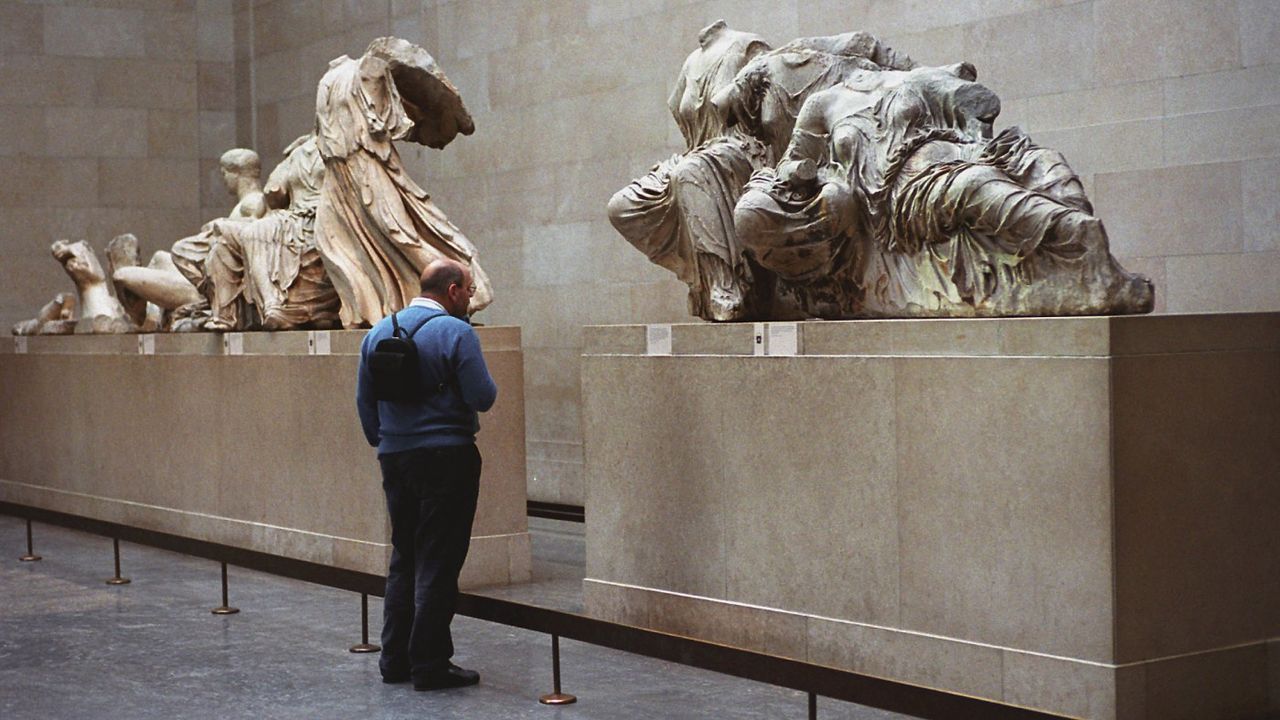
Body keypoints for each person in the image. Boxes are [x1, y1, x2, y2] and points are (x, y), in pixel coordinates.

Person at [355, 258, 497, 690]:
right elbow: (483, 396)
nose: (470, 301)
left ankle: (394, 658)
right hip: (447, 457)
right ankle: (430, 663)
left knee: (405, 556)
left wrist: (387, 440)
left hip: (396, 458)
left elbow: (366, 403)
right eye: (469, 292)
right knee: (439, 558)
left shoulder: (379, 331)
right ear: (452, 290)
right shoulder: (456, 332)